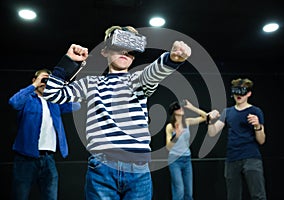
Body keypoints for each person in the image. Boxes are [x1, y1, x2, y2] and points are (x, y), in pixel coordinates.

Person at [42, 25, 192, 200]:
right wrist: (69, 62)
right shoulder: (91, 83)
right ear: (104, 51)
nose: (125, 52)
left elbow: (153, 72)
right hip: (102, 166)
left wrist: (172, 59)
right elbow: (52, 94)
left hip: (138, 168)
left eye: (131, 50)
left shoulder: (137, 80)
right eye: (118, 46)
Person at [8, 68, 81, 200]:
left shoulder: (54, 102)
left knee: (50, 196)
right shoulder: (27, 99)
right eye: (43, 80)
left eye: (48, 81)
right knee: (20, 196)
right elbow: (14, 103)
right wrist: (35, 85)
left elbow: (76, 105)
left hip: (48, 158)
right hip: (26, 158)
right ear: (34, 80)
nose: (45, 83)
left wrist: (63, 88)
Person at [207, 78, 267, 200]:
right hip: (232, 158)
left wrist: (257, 126)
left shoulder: (255, 111)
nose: (238, 95)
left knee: (258, 195)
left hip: (251, 158)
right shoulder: (227, 112)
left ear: (249, 93)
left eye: (242, 91)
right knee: (233, 196)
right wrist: (209, 121)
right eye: (236, 91)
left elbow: (261, 140)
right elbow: (213, 133)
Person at [165, 99, 209, 200]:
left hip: (186, 159)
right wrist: (176, 136)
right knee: (179, 191)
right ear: (173, 111)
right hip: (175, 160)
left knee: (189, 192)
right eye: (178, 108)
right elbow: (168, 147)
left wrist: (191, 107)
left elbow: (206, 117)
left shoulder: (187, 122)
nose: (181, 109)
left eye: (181, 107)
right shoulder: (170, 126)